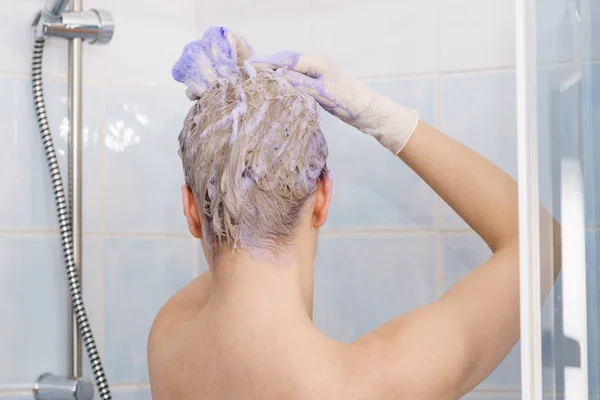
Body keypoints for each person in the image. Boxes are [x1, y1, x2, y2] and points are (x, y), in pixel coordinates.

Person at [148, 27, 560, 400]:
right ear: (323, 198)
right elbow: (541, 242)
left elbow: (238, 240)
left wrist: (234, 122)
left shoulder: (167, 344)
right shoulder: (379, 382)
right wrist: (381, 117)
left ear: (191, 212)